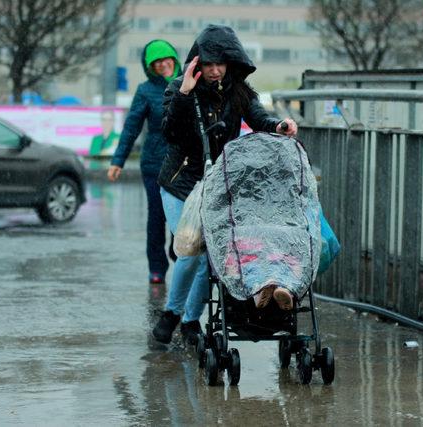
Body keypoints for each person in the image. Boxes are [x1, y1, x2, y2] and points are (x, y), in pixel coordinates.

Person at [152, 24, 298, 344]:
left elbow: (259, 117)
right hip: (180, 184)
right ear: (196, 64)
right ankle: (171, 315)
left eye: (220, 64)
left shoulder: (238, 90)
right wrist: (185, 92)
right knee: (190, 250)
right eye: (208, 64)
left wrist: (279, 125)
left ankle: (191, 322)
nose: (215, 71)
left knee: (212, 259)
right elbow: (170, 133)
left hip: (216, 184)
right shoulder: (179, 89)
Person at [108, 40, 182, 284]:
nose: (163, 65)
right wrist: (118, 160)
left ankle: (177, 252)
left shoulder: (188, 84)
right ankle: (157, 267)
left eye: (166, 58)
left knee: (182, 216)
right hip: (153, 164)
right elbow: (131, 127)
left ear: (174, 58)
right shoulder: (145, 90)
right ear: (150, 66)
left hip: (183, 164)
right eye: (157, 62)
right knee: (157, 215)